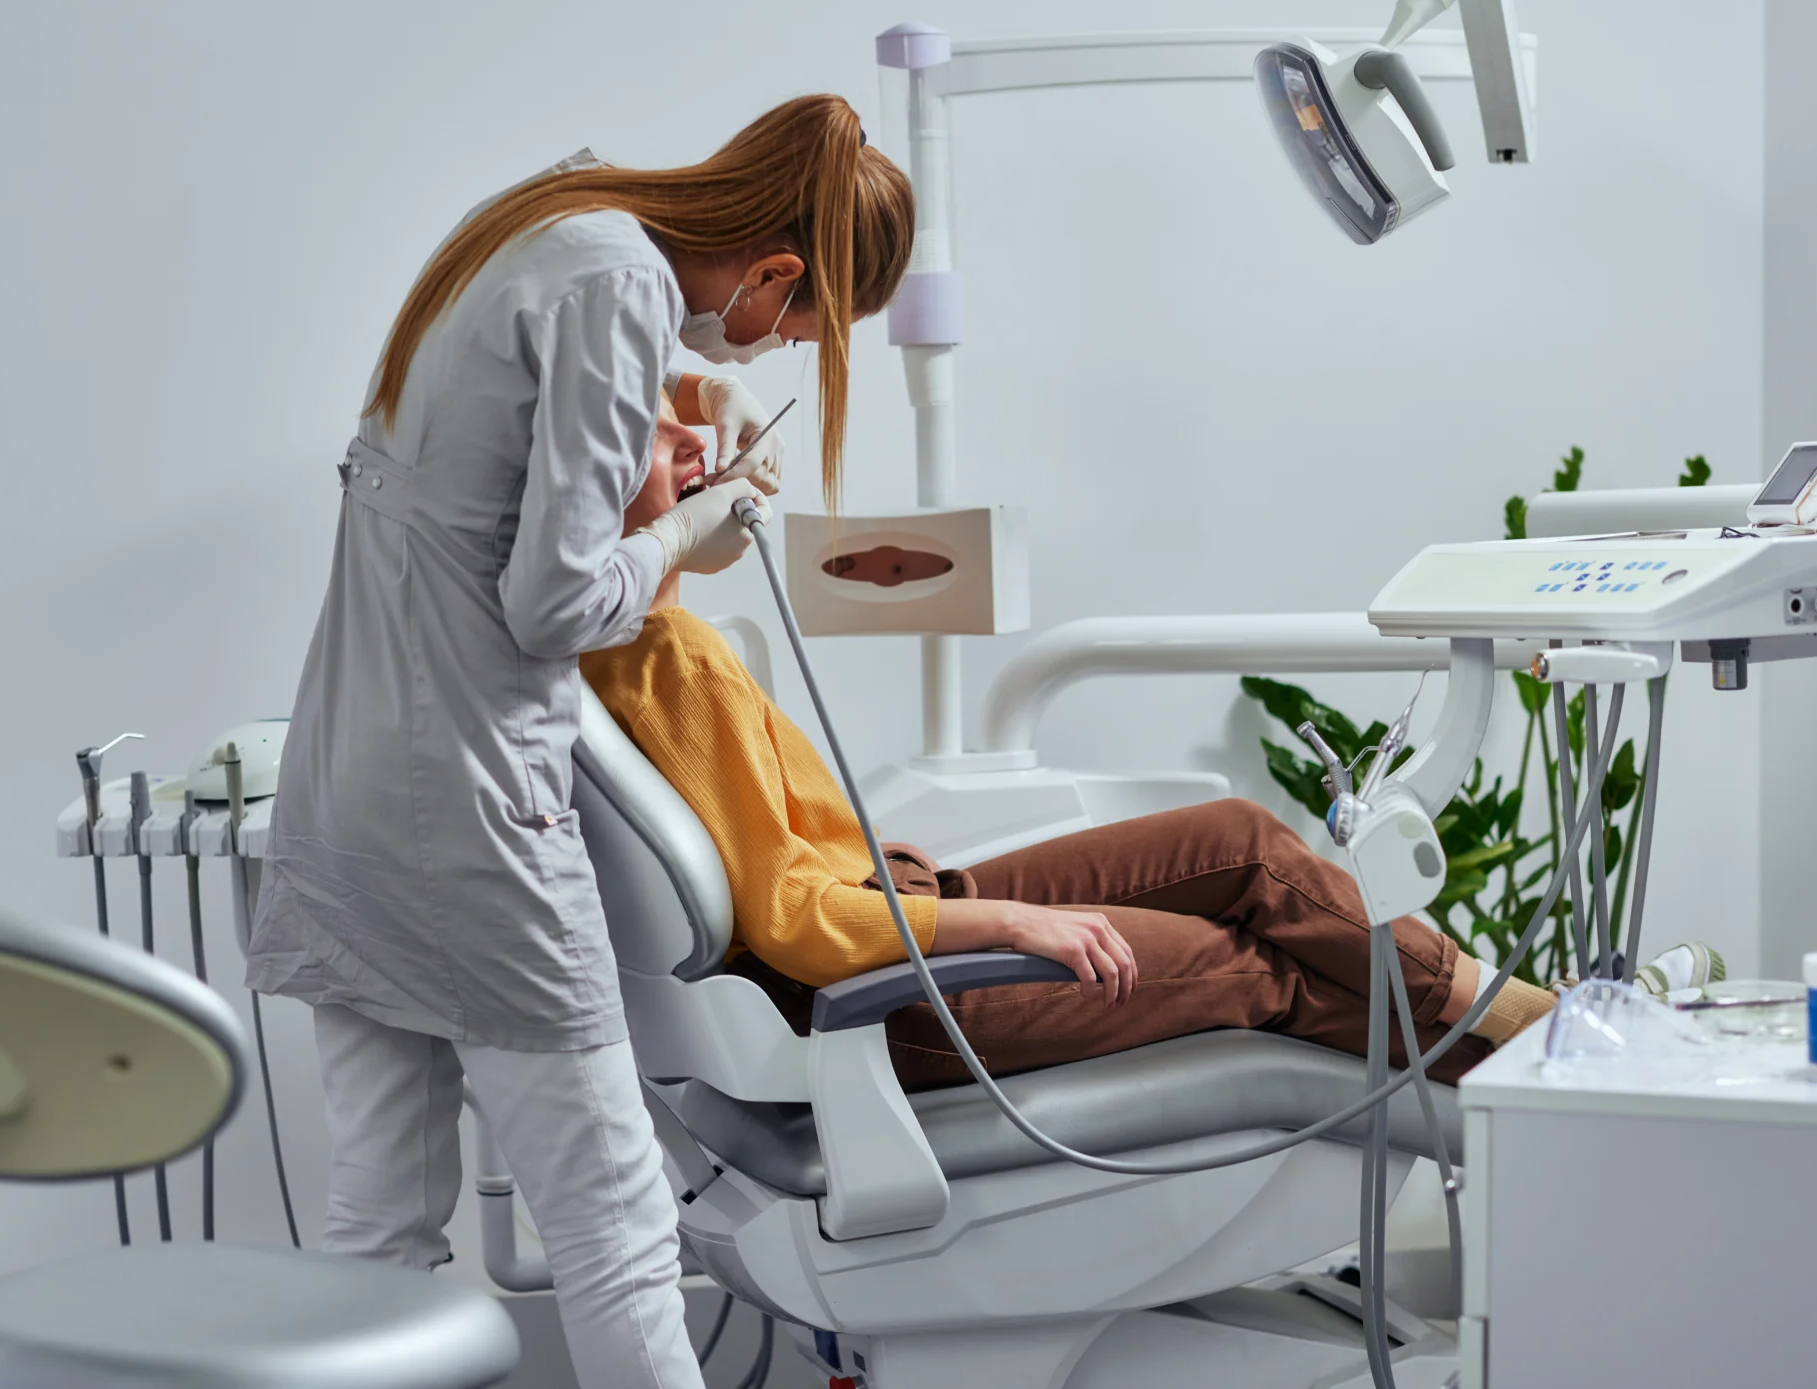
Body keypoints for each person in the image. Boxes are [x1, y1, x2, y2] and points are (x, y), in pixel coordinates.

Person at [247, 97, 913, 1389]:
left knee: (377, 1224)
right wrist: (696, 524)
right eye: (795, 333)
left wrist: (676, 420)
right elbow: (551, 604)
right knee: (613, 1236)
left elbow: (478, 497)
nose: (774, 354)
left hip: (347, 788)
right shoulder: (619, 282)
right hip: (472, 817)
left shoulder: (559, 221)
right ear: (777, 274)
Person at [583, 407, 1560, 1090]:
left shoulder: (606, 641)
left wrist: (701, 418)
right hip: (891, 994)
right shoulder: (676, 657)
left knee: (1239, 839)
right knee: (1263, 969)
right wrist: (1013, 926)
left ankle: (1509, 1012)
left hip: (897, 909)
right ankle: (1547, 1067)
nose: (697, 437)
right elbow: (794, 919)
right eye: (655, 428)